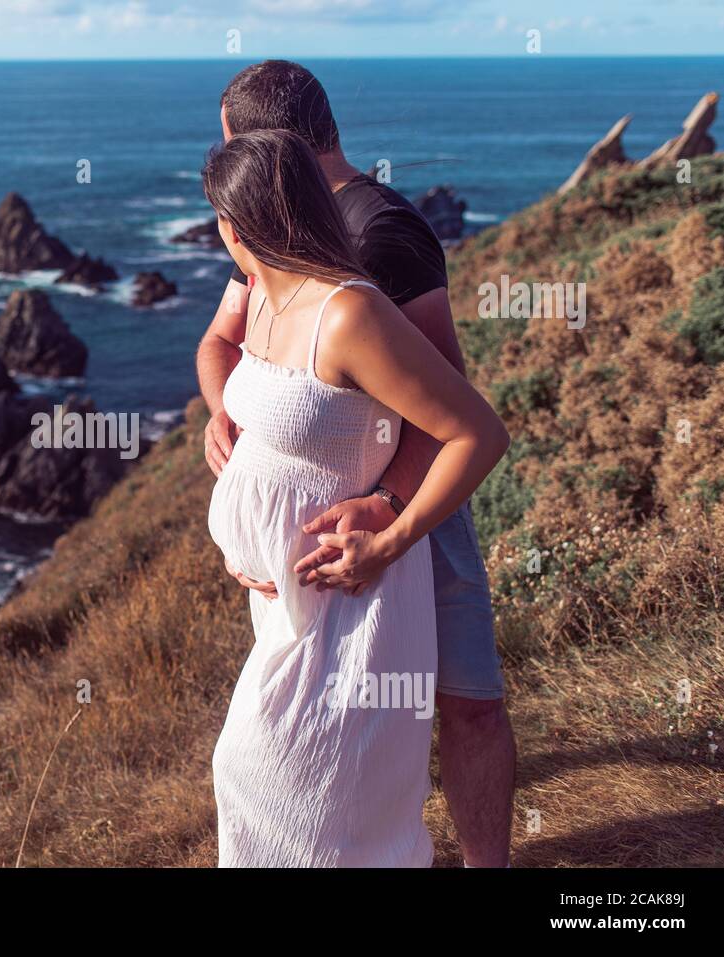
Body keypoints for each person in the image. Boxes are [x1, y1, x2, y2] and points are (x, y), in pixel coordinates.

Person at [198, 60, 516, 867]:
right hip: (311, 567)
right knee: (314, 753)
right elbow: (226, 341)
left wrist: (390, 514)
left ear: (268, 144)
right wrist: (229, 425)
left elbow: (448, 410)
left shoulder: (380, 234)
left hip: (393, 515)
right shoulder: (275, 238)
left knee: (463, 698)